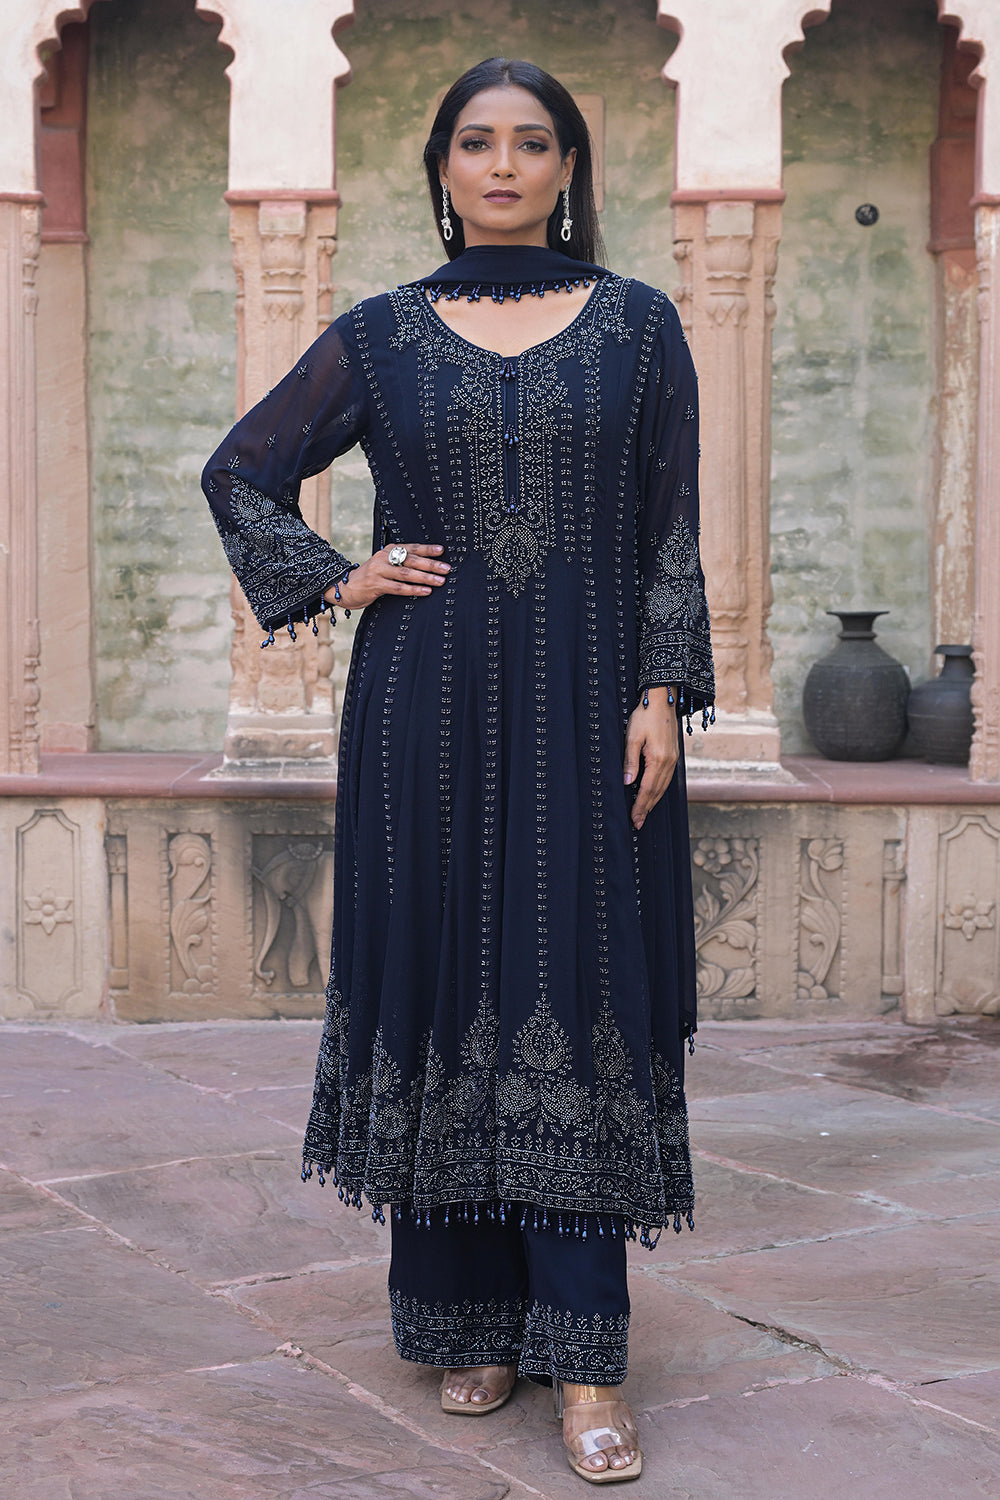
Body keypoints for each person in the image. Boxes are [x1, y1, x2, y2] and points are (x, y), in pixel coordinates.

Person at [203, 56, 713, 1486]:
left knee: (577, 982)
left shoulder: (638, 326)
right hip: (424, 706)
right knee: (444, 977)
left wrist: (664, 692)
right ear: (443, 168)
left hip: (591, 704)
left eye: (531, 142)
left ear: (567, 169)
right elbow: (241, 470)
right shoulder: (382, 334)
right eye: (477, 142)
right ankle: (468, 1319)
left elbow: (672, 522)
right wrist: (340, 576)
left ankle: (586, 1353)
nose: (503, 164)